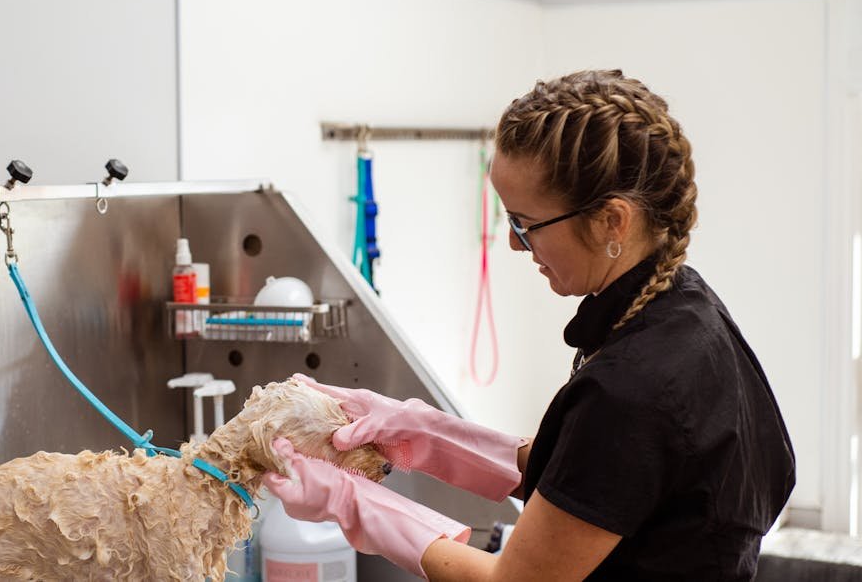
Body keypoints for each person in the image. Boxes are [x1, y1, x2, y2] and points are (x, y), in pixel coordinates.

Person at [262, 69, 796, 581]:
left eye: (526, 223)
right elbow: (596, 473)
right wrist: (419, 431)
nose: (516, 243)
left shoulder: (636, 387)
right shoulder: (687, 307)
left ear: (613, 220)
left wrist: (350, 501)